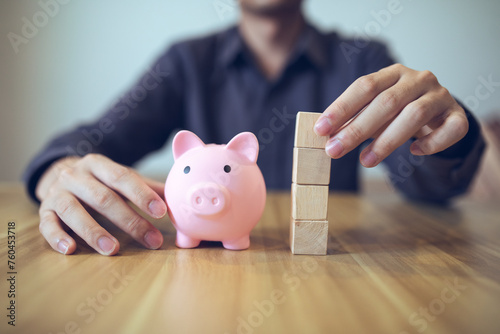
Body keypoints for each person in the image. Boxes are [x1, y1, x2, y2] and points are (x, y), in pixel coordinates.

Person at [23, 0, 485, 256]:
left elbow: (426, 186)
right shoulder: (185, 63)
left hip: (330, 280)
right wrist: (59, 168)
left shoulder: (363, 61)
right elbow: (92, 141)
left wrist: (440, 133)